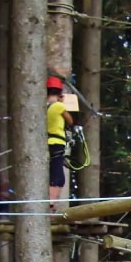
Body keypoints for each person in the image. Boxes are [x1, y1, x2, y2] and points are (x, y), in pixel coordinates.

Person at [47, 76, 74, 205]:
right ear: (59, 93)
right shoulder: (58, 106)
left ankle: (51, 202)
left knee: (57, 176)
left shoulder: (46, 107)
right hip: (57, 143)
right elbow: (70, 120)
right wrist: (63, 104)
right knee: (57, 175)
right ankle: (51, 203)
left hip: (51, 142)